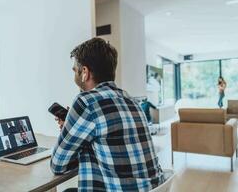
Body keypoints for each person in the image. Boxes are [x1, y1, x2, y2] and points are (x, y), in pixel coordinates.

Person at [50, 38, 164, 192]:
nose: (74, 75)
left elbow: (57, 165)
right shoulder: (131, 100)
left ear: (85, 72)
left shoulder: (86, 102)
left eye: (74, 70)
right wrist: (71, 129)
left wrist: (67, 131)